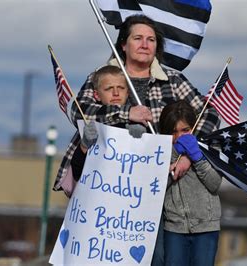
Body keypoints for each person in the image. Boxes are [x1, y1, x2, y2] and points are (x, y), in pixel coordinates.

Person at [54, 14, 220, 266]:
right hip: (107, 190)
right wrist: (125, 113)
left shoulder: (173, 81)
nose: (145, 44)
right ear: (124, 44)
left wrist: (187, 154)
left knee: (157, 258)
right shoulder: (103, 76)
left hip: (157, 193)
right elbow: (79, 111)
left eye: (151, 39)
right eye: (138, 38)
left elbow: (209, 114)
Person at [56, 65, 146, 195]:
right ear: (97, 95)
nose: (116, 93)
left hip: (130, 200)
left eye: (121, 88)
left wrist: (143, 139)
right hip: (98, 201)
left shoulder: (139, 123)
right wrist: (84, 146)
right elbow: (77, 171)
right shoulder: (92, 126)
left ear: (128, 93)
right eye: (109, 88)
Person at [158, 100, 222, 266]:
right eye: (173, 132)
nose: (179, 137)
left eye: (185, 130)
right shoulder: (159, 154)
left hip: (206, 226)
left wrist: (197, 157)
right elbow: (155, 187)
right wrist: (173, 154)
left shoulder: (208, 148)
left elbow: (214, 184)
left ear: (194, 128)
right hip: (174, 227)